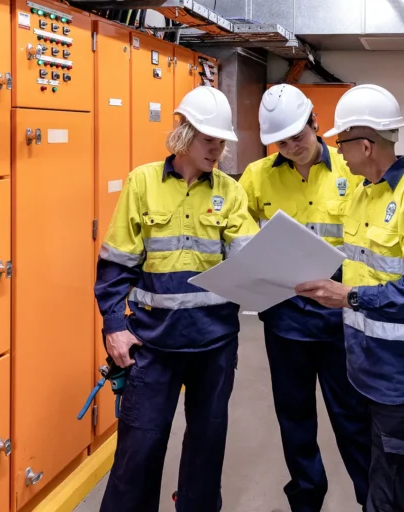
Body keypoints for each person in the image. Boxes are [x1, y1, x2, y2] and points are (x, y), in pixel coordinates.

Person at [295, 84, 404, 512]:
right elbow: (361, 266)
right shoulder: (363, 195)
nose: (338, 152)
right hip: (369, 371)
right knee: (383, 483)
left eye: (341, 142)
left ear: (366, 145)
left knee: (402, 493)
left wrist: (348, 296)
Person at [94, 85, 259, 512]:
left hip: (214, 344)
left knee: (206, 450)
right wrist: (114, 326)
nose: (218, 150)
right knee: (138, 452)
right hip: (153, 345)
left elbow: (250, 263)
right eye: (210, 140)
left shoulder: (231, 192)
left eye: (222, 142)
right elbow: (116, 265)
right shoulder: (142, 183)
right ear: (184, 135)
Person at [238, 84, 371, 512]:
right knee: (294, 422)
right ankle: (307, 499)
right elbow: (237, 235)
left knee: (353, 421)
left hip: (340, 322)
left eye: (299, 135)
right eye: (282, 140)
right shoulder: (258, 177)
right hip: (286, 324)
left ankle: (373, 499)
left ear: (315, 122)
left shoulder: (350, 172)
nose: (292, 146)